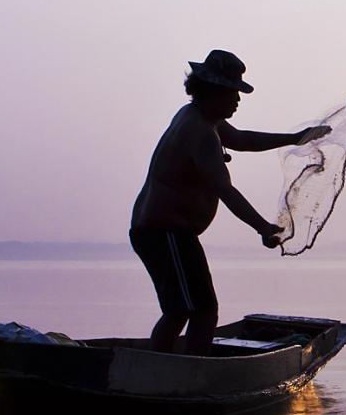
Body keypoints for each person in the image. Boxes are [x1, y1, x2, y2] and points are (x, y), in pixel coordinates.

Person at [129, 50, 329, 355]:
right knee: (196, 311)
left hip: (165, 233)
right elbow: (226, 190)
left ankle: (171, 368)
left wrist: (294, 138)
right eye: (232, 93)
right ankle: (182, 374)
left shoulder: (199, 117)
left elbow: (243, 140)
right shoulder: (200, 132)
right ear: (212, 91)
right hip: (164, 232)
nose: (237, 100)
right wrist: (262, 227)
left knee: (188, 309)